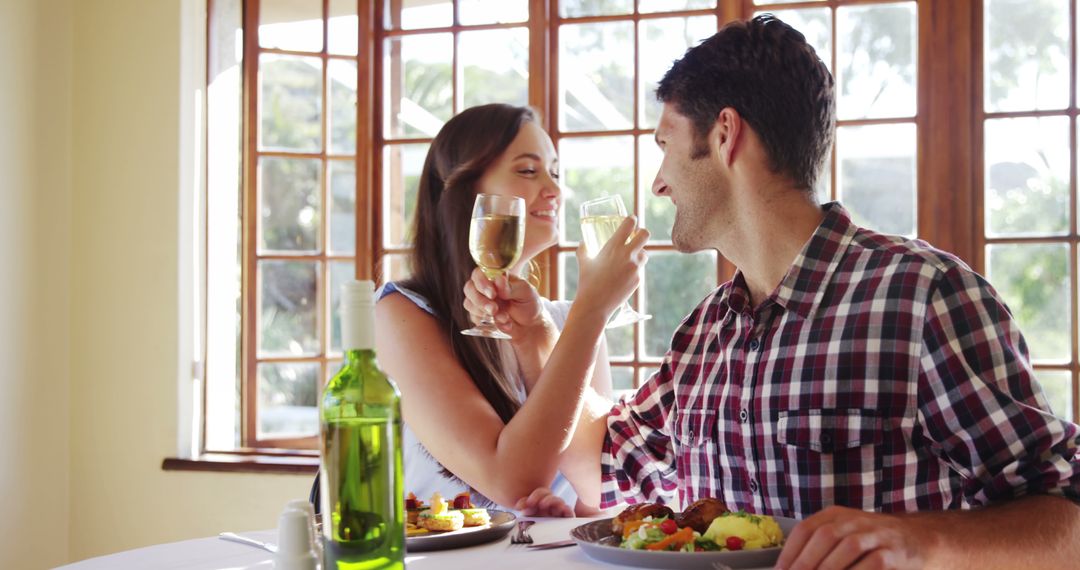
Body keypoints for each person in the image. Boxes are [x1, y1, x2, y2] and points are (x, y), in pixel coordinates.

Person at [494, 14, 1080, 568]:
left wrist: (917, 542)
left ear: (725, 135)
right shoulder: (704, 333)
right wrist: (537, 335)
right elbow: (602, 463)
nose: (659, 182)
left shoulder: (925, 297)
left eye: (667, 145)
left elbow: (1066, 525)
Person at [369, 103, 648, 517]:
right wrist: (593, 309)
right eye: (528, 170)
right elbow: (510, 480)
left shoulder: (567, 322)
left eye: (554, 172)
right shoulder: (403, 313)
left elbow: (602, 493)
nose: (554, 191)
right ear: (467, 191)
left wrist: (566, 516)